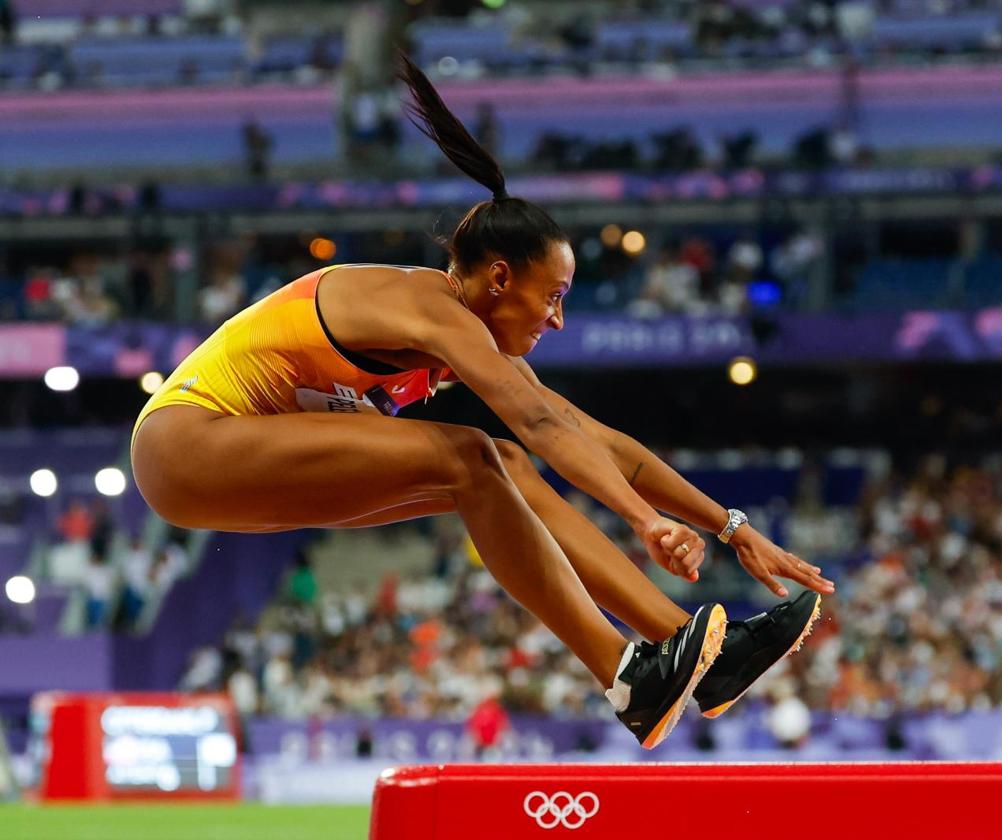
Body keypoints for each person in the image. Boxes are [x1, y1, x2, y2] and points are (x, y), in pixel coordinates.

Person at [130, 53, 834, 749]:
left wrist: (728, 525)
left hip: (232, 464)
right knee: (475, 455)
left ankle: (684, 650)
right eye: (553, 296)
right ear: (499, 277)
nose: (557, 319)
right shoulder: (425, 307)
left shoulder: (459, 336)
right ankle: (627, 676)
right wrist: (644, 522)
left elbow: (582, 432)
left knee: (502, 467)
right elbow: (537, 419)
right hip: (188, 443)